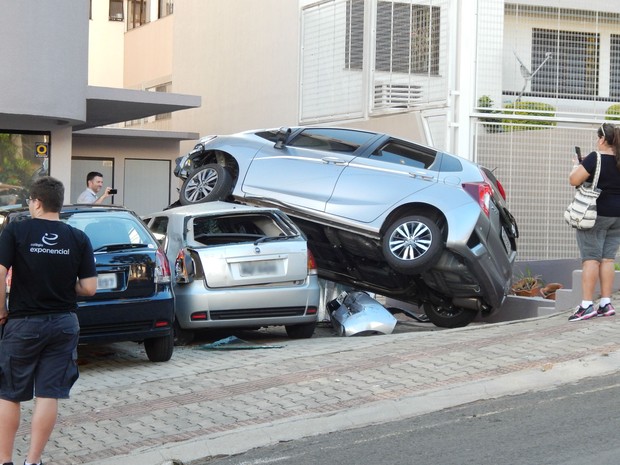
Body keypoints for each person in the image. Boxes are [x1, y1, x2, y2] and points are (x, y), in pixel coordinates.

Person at [0, 177, 97, 465]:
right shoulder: (78, 238)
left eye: (30, 202)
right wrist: (68, 287)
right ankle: (33, 461)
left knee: (9, 393)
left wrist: (1, 310)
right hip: (64, 324)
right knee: (48, 393)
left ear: (37, 202)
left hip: (24, 323)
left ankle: (5, 460)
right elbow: (90, 288)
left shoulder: (16, 231)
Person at [568, 122, 620, 321]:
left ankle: (587, 305)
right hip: (617, 216)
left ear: (603, 139)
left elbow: (574, 180)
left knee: (591, 258)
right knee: (607, 259)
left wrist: (576, 164)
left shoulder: (595, 157)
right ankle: (606, 302)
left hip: (595, 215)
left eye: (598, 137)